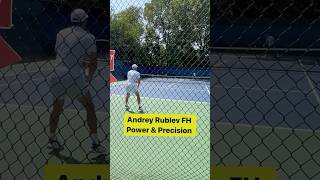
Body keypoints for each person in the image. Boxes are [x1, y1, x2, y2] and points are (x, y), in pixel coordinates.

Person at [48, 9, 105, 153]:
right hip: (74, 77)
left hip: (56, 75)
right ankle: (95, 142)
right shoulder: (89, 37)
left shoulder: (60, 33)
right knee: (89, 107)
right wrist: (88, 78)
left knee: (57, 107)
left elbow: (59, 53)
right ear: (84, 21)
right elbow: (92, 62)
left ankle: (52, 138)